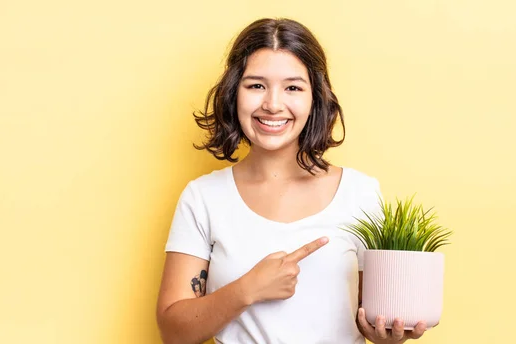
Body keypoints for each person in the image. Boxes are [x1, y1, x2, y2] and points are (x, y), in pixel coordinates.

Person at [156, 18, 428, 344]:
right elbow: (173, 332)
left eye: (293, 87)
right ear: (233, 93)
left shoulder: (361, 194)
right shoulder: (202, 198)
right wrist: (247, 289)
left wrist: (387, 334)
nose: (272, 104)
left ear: (316, 97)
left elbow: (372, 317)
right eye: (256, 85)